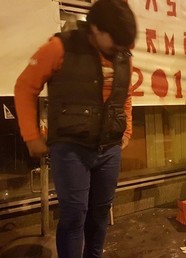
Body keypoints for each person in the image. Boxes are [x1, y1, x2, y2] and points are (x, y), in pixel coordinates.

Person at [14, 0, 137, 257]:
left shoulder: (122, 52)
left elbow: (125, 95)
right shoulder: (60, 47)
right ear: (95, 28)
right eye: (114, 41)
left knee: (100, 214)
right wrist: (31, 136)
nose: (120, 48)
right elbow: (25, 87)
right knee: (74, 216)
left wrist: (126, 131)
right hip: (71, 147)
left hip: (109, 148)